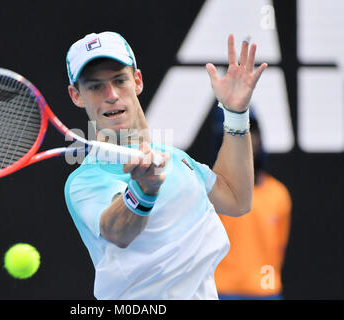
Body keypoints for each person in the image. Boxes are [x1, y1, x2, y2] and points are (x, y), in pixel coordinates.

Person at [63, 31, 267, 299]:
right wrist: (142, 191)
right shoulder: (84, 182)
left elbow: (237, 199)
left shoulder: (180, 161)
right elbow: (118, 232)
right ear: (76, 96)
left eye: (119, 80)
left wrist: (236, 114)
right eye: (94, 86)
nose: (111, 94)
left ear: (137, 81)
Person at [212, 111, 292, 300]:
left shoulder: (279, 194)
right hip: (221, 291)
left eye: (250, 131)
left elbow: (280, 250)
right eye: (234, 132)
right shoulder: (211, 191)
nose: (247, 139)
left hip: (266, 292)